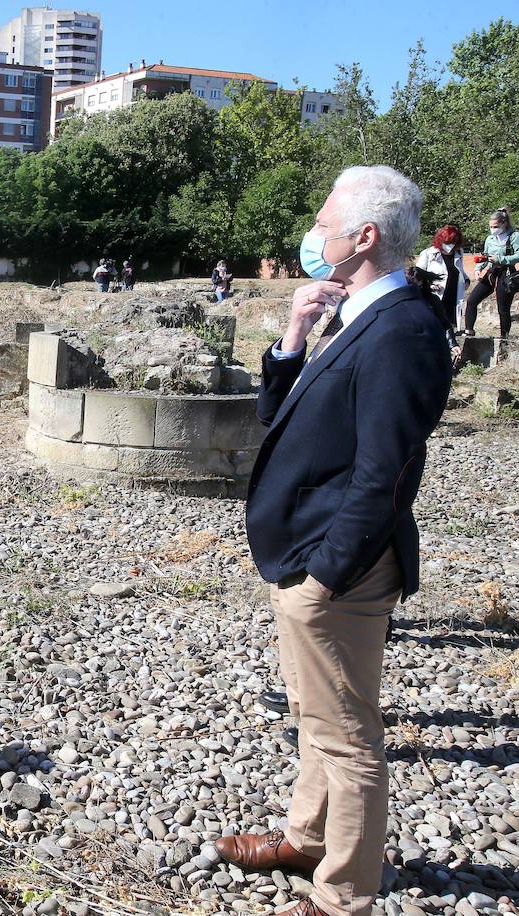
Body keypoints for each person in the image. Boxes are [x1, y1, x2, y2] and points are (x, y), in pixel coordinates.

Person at [222, 166, 451, 916]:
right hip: (307, 555)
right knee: (314, 715)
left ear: (365, 236)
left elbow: (388, 473)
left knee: (348, 737)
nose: (313, 235)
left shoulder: (405, 328)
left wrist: (328, 574)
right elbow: (275, 417)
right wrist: (293, 335)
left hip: (338, 567)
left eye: (325, 222)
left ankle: (342, 896)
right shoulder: (356, 311)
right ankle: (306, 839)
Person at [464, 208, 517, 338]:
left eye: (495, 226)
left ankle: (504, 338)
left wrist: (501, 259)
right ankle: (468, 331)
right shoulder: (490, 239)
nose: (493, 229)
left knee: (503, 308)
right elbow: (485, 256)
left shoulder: (515, 236)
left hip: (507, 273)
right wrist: (478, 268)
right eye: (491, 226)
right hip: (492, 272)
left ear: (504, 224)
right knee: (472, 300)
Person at [415, 224, 469, 332]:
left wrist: (466, 280)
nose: (449, 246)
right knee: (435, 326)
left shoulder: (459, 253)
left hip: (453, 296)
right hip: (436, 296)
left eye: (453, 242)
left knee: (450, 327)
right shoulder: (428, 254)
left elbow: (459, 271)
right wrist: (430, 286)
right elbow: (417, 276)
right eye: (447, 242)